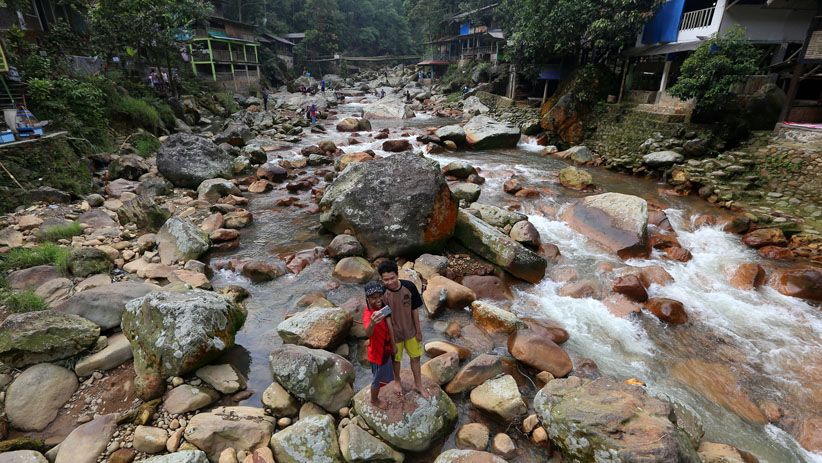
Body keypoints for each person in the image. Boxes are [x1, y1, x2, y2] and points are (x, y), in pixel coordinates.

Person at [378, 260, 428, 398]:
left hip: (411, 331)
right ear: (381, 279)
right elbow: (385, 318)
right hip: (394, 334)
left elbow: (415, 310)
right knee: (396, 359)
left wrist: (418, 331)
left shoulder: (409, 287)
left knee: (416, 358)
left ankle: (419, 384)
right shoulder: (382, 293)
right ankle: (397, 381)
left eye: (392, 278)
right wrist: (391, 340)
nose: (389, 282)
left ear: (397, 274)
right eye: (386, 279)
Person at [363, 281, 395, 408]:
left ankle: (380, 392)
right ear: (367, 299)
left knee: (383, 376)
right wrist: (372, 323)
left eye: (379, 296)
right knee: (376, 379)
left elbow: (389, 325)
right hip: (377, 354)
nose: (377, 300)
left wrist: (393, 344)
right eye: (373, 298)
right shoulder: (368, 314)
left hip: (386, 349)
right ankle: (374, 400)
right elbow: (368, 333)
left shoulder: (383, 308)